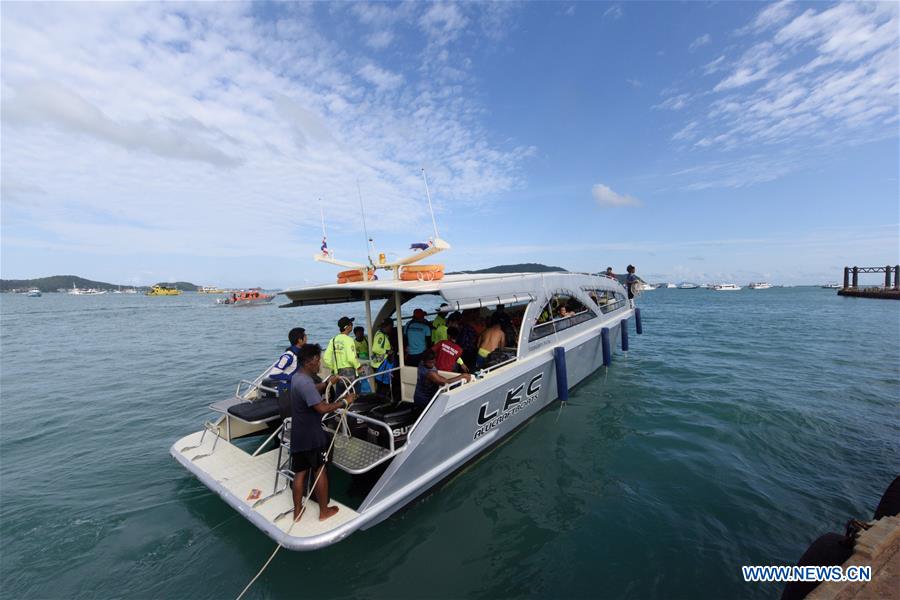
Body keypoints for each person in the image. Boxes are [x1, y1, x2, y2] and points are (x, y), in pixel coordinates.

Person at [289, 344, 354, 521]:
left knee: (300, 472)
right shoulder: (306, 383)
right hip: (312, 436)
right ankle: (324, 511)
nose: (320, 365)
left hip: (298, 434)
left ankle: (297, 511)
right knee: (320, 470)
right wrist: (345, 402)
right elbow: (322, 408)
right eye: (318, 361)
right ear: (309, 362)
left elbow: (310, 391)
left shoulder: (297, 378)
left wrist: (327, 383)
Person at [323, 316, 363, 384]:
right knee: (354, 392)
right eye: (351, 324)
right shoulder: (349, 340)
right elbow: (351, 358)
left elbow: (326, 358)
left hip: (338, 376)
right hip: (350, 376)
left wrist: (334, 368)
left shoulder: (333, 340)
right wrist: (359, 367)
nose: (352, 326)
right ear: (347, 327)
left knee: (341, 393)